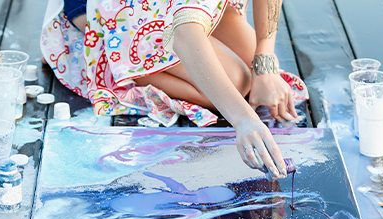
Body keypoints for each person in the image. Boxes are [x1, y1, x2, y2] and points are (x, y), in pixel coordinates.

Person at [41, 0, 308, 180]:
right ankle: (119, 65)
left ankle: (148, 57)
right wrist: (244, 120)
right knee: (235, 85)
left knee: (252, 75)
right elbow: (185, 32)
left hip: (176, 8)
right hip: (113, 8)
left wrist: (265, 64)